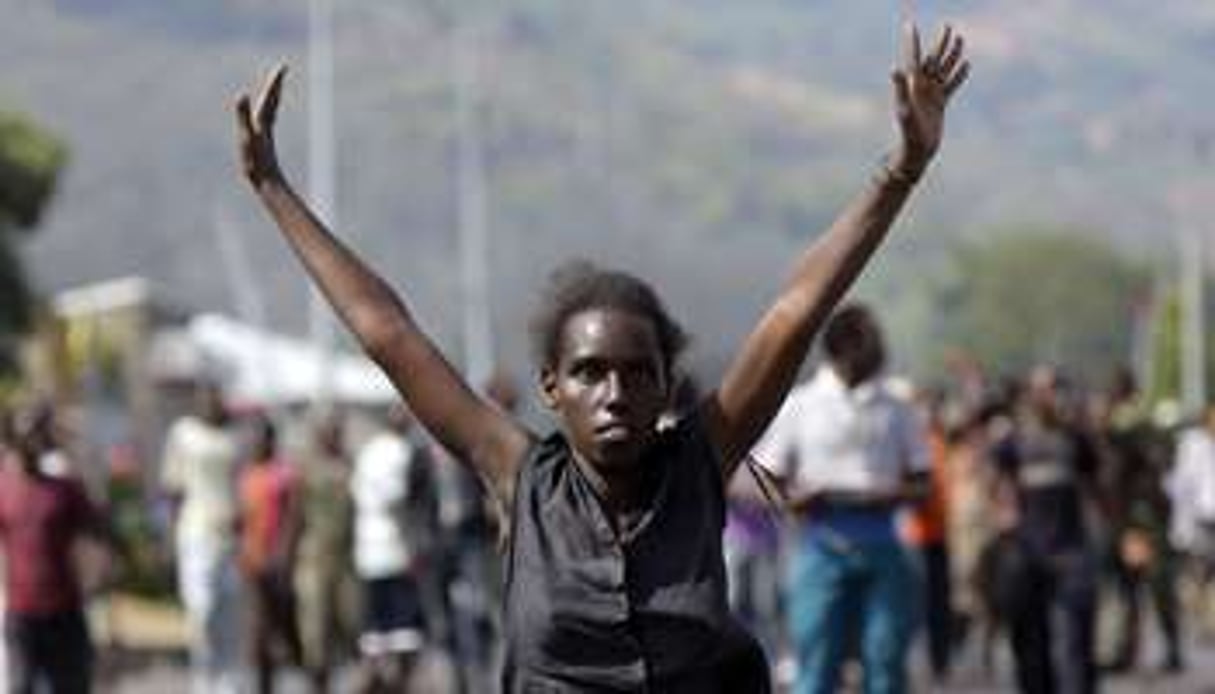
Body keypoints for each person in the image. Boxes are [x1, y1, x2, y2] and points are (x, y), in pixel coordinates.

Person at [233, 21, 968, 691]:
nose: (614, 392)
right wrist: (272, 188)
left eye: (636, 372)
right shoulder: (520, 477)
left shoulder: (699, 462)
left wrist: (900, 169)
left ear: (663, 386)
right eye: (589, 372)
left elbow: (795, 311)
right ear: (550, 387)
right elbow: (388, 333)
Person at [752, 304, 930, 694]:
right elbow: (764, 475)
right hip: (819, 544)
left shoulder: (896, 407)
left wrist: (886, 494)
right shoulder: (802, 404)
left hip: (882, 542)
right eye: (861, 359)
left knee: (884, 660)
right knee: (816, 662)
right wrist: (791, 502)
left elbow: (923, 483)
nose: (868, 368)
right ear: (838, 353)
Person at [989, 366, 1105, 694]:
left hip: (1071, 550)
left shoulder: (1077, 439)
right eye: (1039, 389)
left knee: (1076, 642)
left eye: (1052, 388)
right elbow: (996, 481)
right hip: (1027, 551)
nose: (1046, 396)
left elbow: (1097, 484)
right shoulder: (1014, 441)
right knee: (1029, 642)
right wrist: (1003, 512)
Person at [0, 404, 114, 694]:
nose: (32, 440)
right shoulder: (4, 489)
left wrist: (98, 577)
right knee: (21, 685)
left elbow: (97, 532)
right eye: (26, 433)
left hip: (64, 609)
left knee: (72, 685)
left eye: (38, 432)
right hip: (21, 612)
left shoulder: (65, 488)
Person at [161, 382, 243, 694]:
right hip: (196, 536)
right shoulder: (184, 434)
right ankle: (203, 682)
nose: (212, 402)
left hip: (228, 540)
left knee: (227, 617)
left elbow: (237, 489)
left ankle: (228, 685)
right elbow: (172, 489)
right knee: (202, 612)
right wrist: (169, 538)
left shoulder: (229, 438)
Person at [1098, 368, 1182, 674]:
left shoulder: (1141, 427)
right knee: (1126, 589)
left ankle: (1171, 649)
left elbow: (1161, 462)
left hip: (1146, 518)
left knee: (1158, 585)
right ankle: (1125, 650)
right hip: (1124, 520)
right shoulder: (1113, 427)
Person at [350, 404, 430, 692]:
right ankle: (395, 684)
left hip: (368, 551)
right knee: (404, 630)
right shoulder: (400, 452)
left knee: (376, 630)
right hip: (394, 549)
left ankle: (376, 680)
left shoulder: (369, 451)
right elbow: (398, 499)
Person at [291, 410, 356, 694]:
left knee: (349, 624)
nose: (334, 435)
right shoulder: (306, 468)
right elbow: (295, 516)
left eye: (337, 430)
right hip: (313, 557)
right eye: (329, 430)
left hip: (344, 559)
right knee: (315, 631)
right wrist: (286, 557)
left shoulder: (348, 464)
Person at [238, 415, 302, 694]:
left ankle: (307, 679)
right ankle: (265, 685)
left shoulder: (284, 473)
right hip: (253, 562)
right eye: (254, 436)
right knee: (260, 632)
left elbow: (294, 517)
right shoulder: (247, 474)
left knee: (284, 629)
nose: (256, 442)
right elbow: (242, 519)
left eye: (262, 436)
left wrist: (284, 553)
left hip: (278, 563)